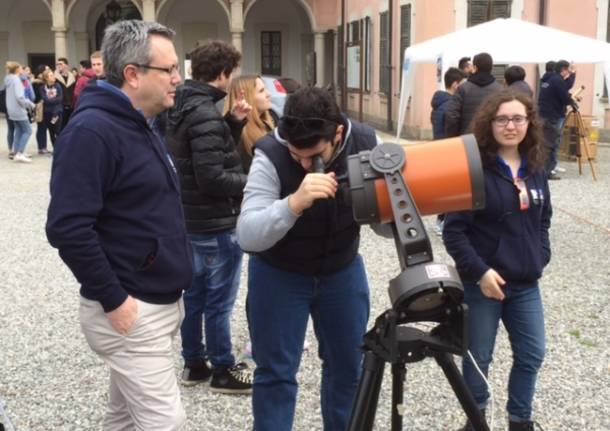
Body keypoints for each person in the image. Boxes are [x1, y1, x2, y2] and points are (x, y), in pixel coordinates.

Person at [46, 20, 191, 430]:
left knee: (124, 419)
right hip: (131, 308)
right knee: (166, 423)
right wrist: (114, 299)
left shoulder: (139, 123)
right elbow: (67, 227)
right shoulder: (93, 131)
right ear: (133, 74)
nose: (178, 79)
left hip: (153, 300)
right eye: (170, 70)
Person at [237, 86, 391, 431]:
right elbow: (247, 234)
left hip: (341, 268)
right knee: (275, 373)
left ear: (337, 133)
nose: (305, 164)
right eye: (296, 155)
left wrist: (391, 210)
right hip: (280, 272)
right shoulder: (271, 153)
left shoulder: (366, 143)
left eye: (314, 155)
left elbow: (385, 229)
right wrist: (292, 204)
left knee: (348, 368)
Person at [443, 90, 550, 431]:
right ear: (489, 124)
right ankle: (475, 420)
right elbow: (454, 232)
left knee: (532, 354)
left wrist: (540, 255)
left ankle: (520, 420)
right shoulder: (474, 170)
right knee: (478, 359)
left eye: (518, 118)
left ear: (529, 123)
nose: (510, 126)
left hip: (525, 284)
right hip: (483, 284)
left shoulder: (536, 167)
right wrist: (480, 271)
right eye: (502, 119)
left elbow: (543, 219)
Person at [165, 40, 253, 394]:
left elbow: (200, 157)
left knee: (194, 298)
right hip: (215, 224)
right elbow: (212, 178)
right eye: (230, 74)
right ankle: (222, 368)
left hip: (191, 222)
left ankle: (194, 363)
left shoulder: (184, 105)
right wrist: (254, 184)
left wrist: (231, 124)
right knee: (219, 302)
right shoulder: (203, 113)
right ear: (221, 74)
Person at [225, 74, 275, 173]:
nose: (268, 94)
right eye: (261, 91)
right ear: (247, 97)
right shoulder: (238, 135)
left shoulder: (269, 123)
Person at [445, 52, 503, 137]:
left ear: (475, 67)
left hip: (467, 139)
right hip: (492, 138)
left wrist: (454, 136)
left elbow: (452, 115)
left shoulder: (463, 88)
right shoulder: (500, 89)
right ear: (491, 67)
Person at [538, 60, 576, 180]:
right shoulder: (557, 80)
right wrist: (572, 102)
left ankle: (543, 169)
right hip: (553, 115)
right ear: (563, 69)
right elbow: (564, 96)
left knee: (545, 142)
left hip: (544, 114)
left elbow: (564, 88)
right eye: (568, 70)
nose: (568, 72)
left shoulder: (548, 79)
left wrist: (573, 74)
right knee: (552, 143)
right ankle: (549, 170)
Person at [4, 61, 35, 162]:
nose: (23, 70)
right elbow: (20, 97)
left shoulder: (9, 79)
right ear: (17, 70)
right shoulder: (16, 80)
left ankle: (16, 152)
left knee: (19, 131)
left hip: (11, 110)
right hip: (18, 110)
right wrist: (30, 104)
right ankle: (20, 153)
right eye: (21, 68)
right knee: (28, 130)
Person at [431, 67, 467, 140]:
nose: (466, 87)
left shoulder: (439, 103)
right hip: (448, 147)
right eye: (463, 84)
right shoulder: (452, 106)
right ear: (455, 85)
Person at [40, 69, 63, 148]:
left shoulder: (57, 86)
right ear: (46, 78)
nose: (53, 76)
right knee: (51, 131)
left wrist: (50, 101)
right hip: (47, 113)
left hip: (56, 113)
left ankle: (60, 147)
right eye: (51, 75)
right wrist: (53, 100)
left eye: (53, 75)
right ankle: (55, 148)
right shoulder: (43, 88)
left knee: (57, 130)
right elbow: (44, 99)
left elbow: (60, 98)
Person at [54, 57, 75, 129]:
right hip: (60, 105)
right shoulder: (54, 77)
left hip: (70, 105)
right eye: (57, 64)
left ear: (66, 65)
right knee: (59, 126)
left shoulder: (72, 77)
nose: (58, 66)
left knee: (70, 126)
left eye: (60, 64)